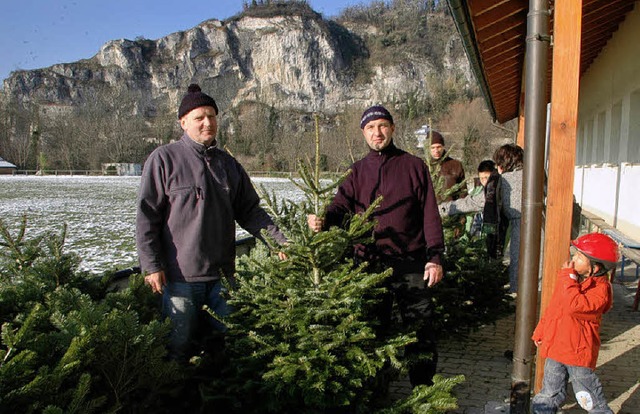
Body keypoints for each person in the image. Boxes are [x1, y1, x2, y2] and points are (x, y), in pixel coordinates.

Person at [136, 83, 286, 360]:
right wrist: (151, 265)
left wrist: (280, 242)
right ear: (183, 123)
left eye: (212, 116)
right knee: (177, 348)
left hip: (223, 279)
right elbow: (147, 217)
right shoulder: (164, 160)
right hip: (180, 280)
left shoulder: (228, 165)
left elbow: (251, 211)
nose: (208, 123)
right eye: (199, 117)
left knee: (227, 345)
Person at [307, 105, 445, 387]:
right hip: (369, 262)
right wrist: (323, 220)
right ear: (363, 133)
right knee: (373, 329)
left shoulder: (414, 166)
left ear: (393, 129)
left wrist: (435, 257)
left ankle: (424, 390)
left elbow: (430, 214)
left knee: (420, 328)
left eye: (382, 125)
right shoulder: (356, 171)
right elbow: (339, 208)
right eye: (370, 127)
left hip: (411, 261)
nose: (377, 132)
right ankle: (376, 387)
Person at [531, 232, 619, 413]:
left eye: (580, 256)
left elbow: (574, 306)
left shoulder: (600, 290)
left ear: (595, 267)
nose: (573, 258)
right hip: (556, 347)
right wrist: (541, 331)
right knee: (549, 392)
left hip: (576, 354)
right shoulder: (570, 281)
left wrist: (567, 278)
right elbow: (554, 307)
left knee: (587, 396)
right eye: (576, 253)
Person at [439, 159, 505, 257]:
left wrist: (441, 209)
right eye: (481, 178)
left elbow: (470, 204)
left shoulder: (494, 193)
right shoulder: (483, 192)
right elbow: (468, 202)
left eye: (487, 177)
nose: (484, 181)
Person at [493, 143, 523, 293]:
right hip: (544, 228)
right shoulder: (537, 174)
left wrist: (443, 208)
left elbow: (479, 201)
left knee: (517, 270)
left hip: (520, 231)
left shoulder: (505, 181)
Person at [428, 130, 467, 202]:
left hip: (453, 209)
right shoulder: (423, 166)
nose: (436, 151)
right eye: (433, 148)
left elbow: (463, 191)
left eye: (438, 147)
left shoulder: (456, 165)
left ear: (443, 147)